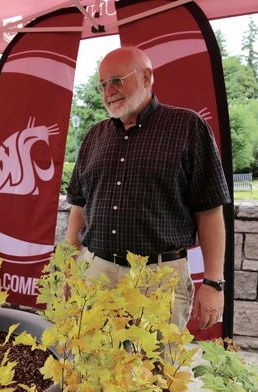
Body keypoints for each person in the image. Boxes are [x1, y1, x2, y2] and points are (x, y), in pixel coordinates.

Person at [66, 46, 231, 331]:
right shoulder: (94, 137)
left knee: (155, 372)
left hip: (159, 279)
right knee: (93, 370)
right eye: (103, 84)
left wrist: (214, 282)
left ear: (146, 77)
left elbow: (210, 211)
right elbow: (79, 206)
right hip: (97, 273)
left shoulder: (188, 127)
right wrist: (70, 270)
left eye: (118, 80)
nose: (109, 91)